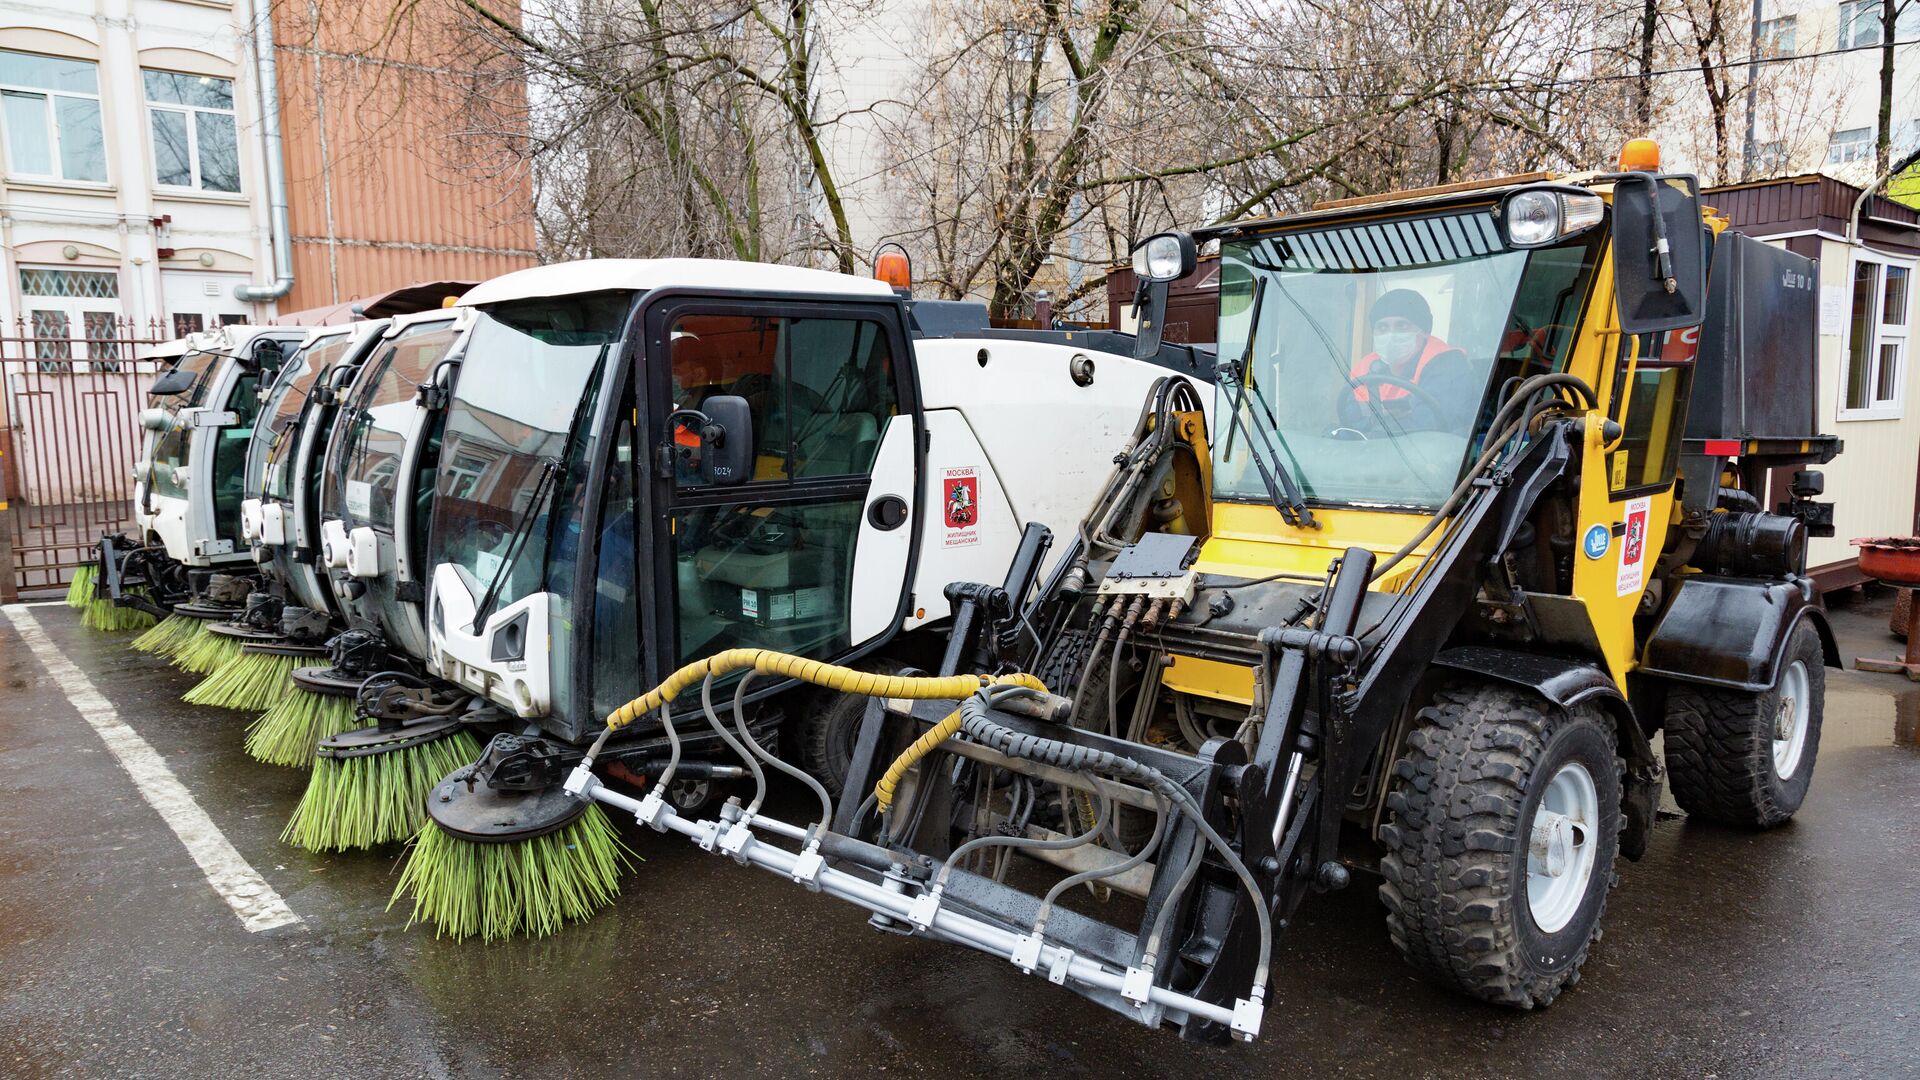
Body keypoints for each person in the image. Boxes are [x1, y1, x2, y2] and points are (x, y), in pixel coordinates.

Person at [1339, 288, 1474, 433]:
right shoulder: (1364, 369)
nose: (1391, 335)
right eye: (1382, 327)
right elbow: (1350, 421)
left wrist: (1373, 428)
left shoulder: (1448, 364)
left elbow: (1428, 426)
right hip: (1375, 450)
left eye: (1402, 326)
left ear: (1423, 331)